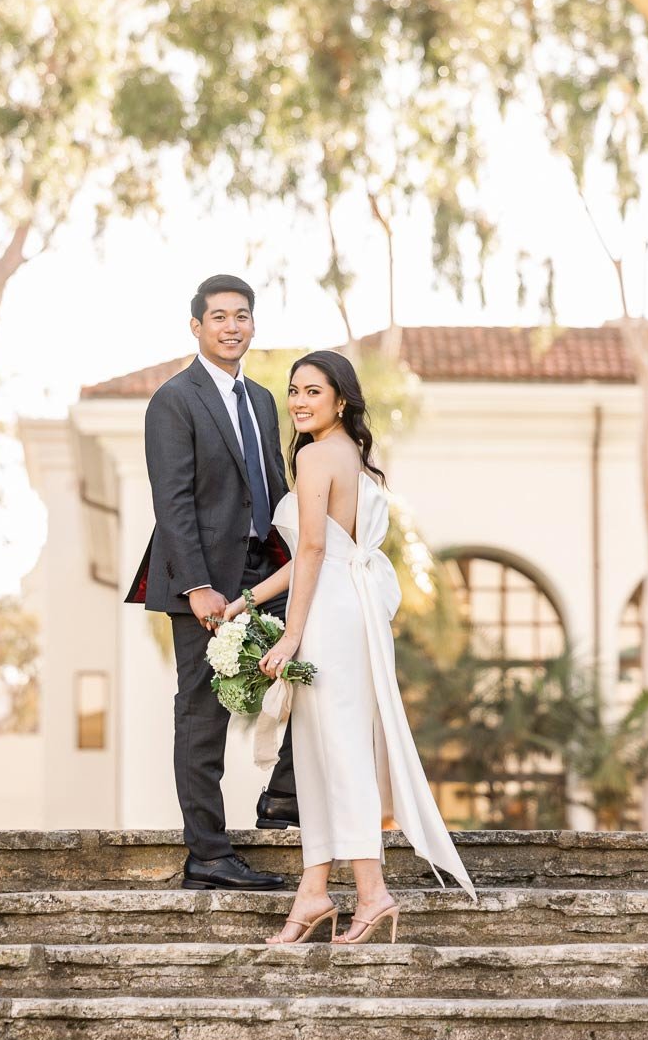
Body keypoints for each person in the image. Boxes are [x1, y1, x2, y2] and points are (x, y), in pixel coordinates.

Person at [223, 350, 475, 943]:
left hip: (329, 616)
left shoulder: (314, 458)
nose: (301, 401)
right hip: (347, 609)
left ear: (341, 401)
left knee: (339, 753)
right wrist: (247, 602)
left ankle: (371, 892)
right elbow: (324, 551)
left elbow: (311, 551)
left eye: (314, 391)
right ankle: (313, 893)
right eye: (295, 391)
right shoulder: (354, 459)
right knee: (319, 750)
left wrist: (290, 634)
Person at [124, 274, 298, 891]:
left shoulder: (264, 401)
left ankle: (284, 800)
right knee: (202, 718)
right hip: (203, 583)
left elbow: (275, 491)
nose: (232, 326)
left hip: (263, 573)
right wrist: (197, 585)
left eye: (242, 315)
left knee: (308, 678)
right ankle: (208, 853)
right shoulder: (174, 400)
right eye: (219, 316)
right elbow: (171, 502)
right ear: (196, 326)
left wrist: (302, 563)